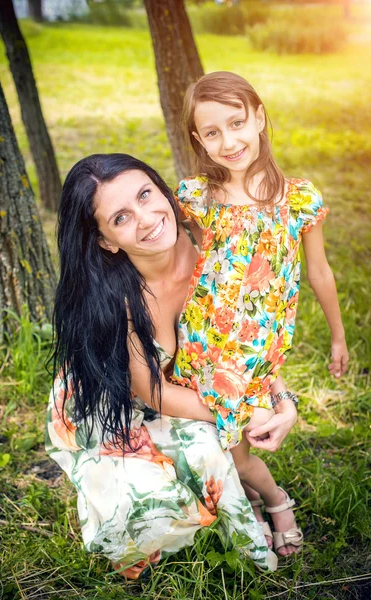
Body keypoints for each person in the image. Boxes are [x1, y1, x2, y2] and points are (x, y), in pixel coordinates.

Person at [46, 153, 300, 579]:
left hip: (194, 384)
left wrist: (281, 399)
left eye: (146, 194)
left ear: (163, 190)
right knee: (160, 488)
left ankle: (271, 500)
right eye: (121, 217)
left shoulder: (215, 248)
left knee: (215, 441)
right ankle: (244, 504)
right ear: (107, 240)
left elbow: (251, 337)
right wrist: (236, 410)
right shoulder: (122, 300)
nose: (146, 219)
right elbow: (152, 392)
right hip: (120, 401)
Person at [169, 71, 349, 555]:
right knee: (223, 436)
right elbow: (189, 264)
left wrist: (338, 337)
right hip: (203, 339)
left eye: (237, 123)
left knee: (233, 443)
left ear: (260, 118)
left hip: (255, 345)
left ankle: (274, 500)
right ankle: (251, 496)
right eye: (212, 132)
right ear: (198, 141)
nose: (228, 141)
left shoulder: (297, 200)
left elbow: (320, 274)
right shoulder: (198, 197)